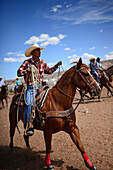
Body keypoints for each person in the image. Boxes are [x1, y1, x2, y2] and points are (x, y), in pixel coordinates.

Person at [17, 43, 62, 136]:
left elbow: (49, 71)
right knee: (29, 104)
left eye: (39, 50)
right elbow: (19, 72)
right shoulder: (27, 62)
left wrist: (57, 65)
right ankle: (28, 126)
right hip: (31, 87)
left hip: (41, 87)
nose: (39, 52)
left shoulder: (42, 62)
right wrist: (27, 71)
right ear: (33, 52)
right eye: (37, 50)